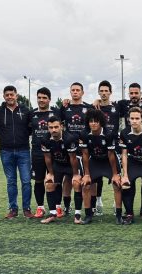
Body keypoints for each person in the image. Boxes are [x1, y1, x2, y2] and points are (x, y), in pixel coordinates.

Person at [0, 85, 33, 219]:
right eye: (7, 95)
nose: (10, 97)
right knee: (11, 181)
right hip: (6, 151)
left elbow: (31, 129)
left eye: (12, 94)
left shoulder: (26, 110)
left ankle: (27, 209)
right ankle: (13, 209)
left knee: (26, 181)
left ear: (16, 95)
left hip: (23, 151)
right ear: (4, 96)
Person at [79, 109, 123, 225]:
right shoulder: (84, 134)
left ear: (101, 122)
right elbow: (85, 154)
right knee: (86, 185)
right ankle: (88, 215)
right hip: (95, 161)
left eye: (96, 121)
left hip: (109, 162)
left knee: (117, 184)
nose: (93, 123)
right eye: (91, 121)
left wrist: (114, 174)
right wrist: (87, 174)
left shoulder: (109, 134)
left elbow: (111, 155)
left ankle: (119, 215)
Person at [118, 82, 142, 217]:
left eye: (136, 93)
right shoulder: (123, 105)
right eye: (131, 93)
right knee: (129, 183)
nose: (133, 95)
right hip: (131, 147)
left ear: (140, 93)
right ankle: (129, 211)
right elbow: (105, 103)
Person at [40, 116, 82, 224]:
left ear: (61, 127)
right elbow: (47, 158)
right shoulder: (45, 139)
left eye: (56, 127)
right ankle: (53, 214)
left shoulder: (69, 138)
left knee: (76, 183)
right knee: (49, 183)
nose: (53, 130)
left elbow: (73, 158)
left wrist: (75, 174)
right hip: (58, 164)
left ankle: (77, 215)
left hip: (71, 164)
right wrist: (50, 173)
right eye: (51, 127)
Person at [60, 82, 92, 215]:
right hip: (69, 148)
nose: (75, 92)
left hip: (85, 147)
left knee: (88, 177)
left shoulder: (88, 108)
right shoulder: (65, 107)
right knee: (68, 178)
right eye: (73, 90)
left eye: (78, 90)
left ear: (82, 92)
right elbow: (58, 124)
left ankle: (90, 207)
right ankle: (67, 207)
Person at [29, 87, 61, 218]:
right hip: (37, 151)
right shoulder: (31, 114)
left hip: (54, 151)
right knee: (38, 180)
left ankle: (58, 206)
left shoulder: (56, 112)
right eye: (39, 98)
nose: (41, 100)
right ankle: (40, 207)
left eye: (44, 98)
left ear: (49, 99)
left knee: (55, 179)